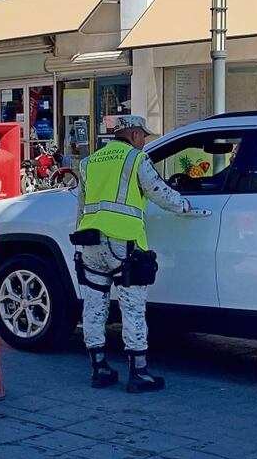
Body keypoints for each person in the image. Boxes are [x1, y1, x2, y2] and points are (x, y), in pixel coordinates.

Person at [74, 115, 193, 393]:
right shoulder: (136, 159)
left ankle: (99, 369)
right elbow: (159, 192)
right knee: (133, 307)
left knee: (94, 305)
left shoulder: (89, 162)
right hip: (124, 244)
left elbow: (81, 206)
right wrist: (185, 206)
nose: (144, 142)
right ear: (134, 134)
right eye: (143, 136)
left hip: (91, 242)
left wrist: (80, 241)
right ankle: (138, 373)